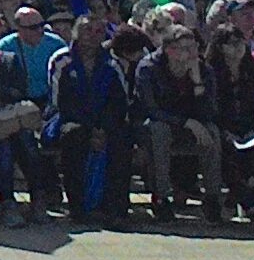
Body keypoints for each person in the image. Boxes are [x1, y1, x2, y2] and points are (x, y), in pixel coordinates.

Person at [50, 18, 129, 226]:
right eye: (87, 30)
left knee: (122, 139)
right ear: (76, 33)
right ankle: (77, 208)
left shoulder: (112, 64)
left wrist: (103, 128)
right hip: (71, 119)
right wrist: (90, 129)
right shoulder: (61, 61)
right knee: (73, 136)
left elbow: (119, 103)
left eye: (98, 31)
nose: (92, 36)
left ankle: (116, 209)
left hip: (105, 122)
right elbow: (61, 101)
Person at [140, 25, 223, 222]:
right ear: (169, 50)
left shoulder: (204, 70)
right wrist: (186, 122)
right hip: (155, 123)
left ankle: (212, 197)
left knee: (212, 132)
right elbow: (151, 109)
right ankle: (161, 196)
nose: (191, 53)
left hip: (191, 123)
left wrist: (197, 83)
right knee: (159, 131)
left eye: (193, 47)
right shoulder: (149, 68)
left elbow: (210, 112)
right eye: (184, 48)